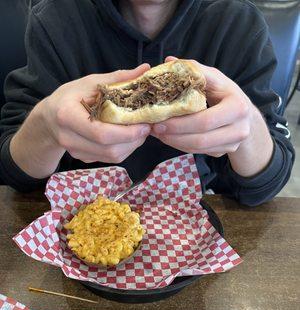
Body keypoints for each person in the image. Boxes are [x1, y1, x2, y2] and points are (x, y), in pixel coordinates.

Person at [0, 0, 295, 206]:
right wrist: (46, 125)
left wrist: (248, 128)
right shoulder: (55, 20)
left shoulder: (238, 24)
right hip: (77, 219)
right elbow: (14, 174)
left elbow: (266, 185)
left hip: (192, 224)